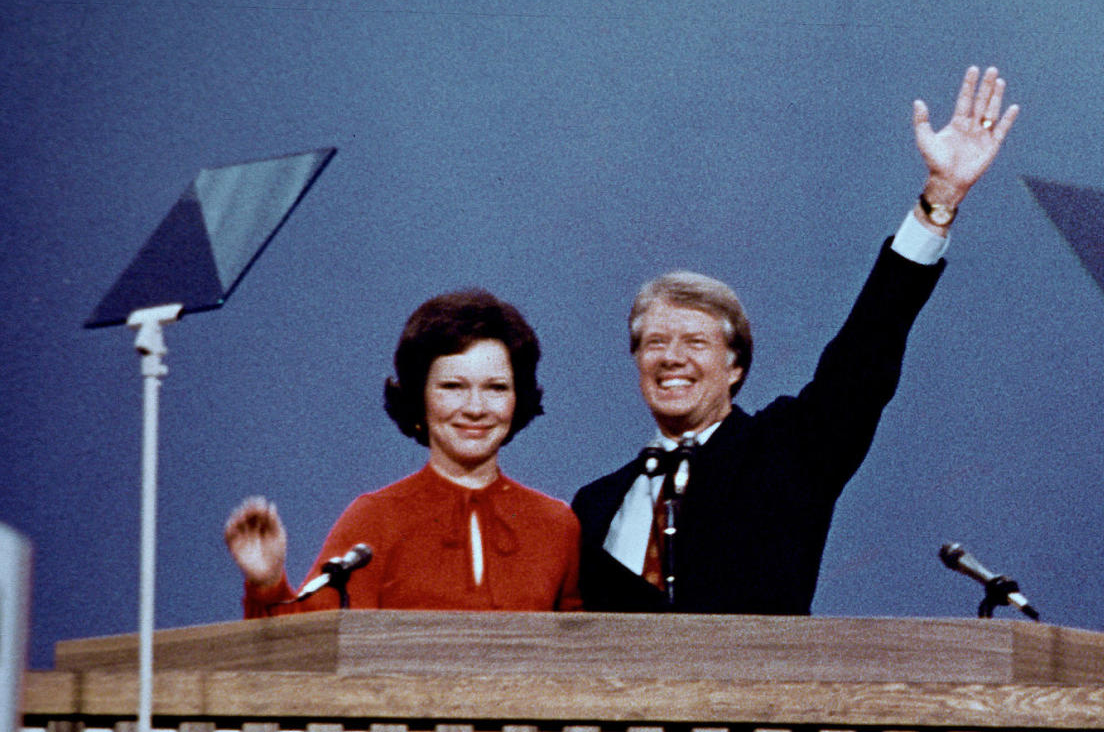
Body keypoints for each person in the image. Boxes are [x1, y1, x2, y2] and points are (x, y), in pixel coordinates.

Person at [572, 65, 1019, 615]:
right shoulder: (593, 506)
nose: (672, 358)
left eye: (695, 342)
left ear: (736, 366)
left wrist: (940, 199)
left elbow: (863, 358)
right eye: (655, 343)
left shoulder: (788, 453)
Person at [226, 289, 582, 616]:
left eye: (496, 388)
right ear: (419, 397)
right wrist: (267, 583)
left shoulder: (558, 526)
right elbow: (311, 649)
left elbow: (587, 661)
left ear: (518, 398)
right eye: (453, 386)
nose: (475, 407)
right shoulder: (374, 519)